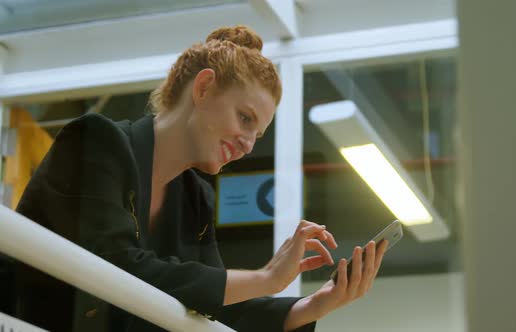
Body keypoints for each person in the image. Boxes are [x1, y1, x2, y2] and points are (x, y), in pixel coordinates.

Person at [14, 25, 389, 332]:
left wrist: (315, 303)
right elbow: (118, 268)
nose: (246, 145)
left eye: (256, 136)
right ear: (204, 87)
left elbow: (216, 305)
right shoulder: (98, 141)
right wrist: (267, 277)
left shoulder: (195, 197)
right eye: (245, 119)